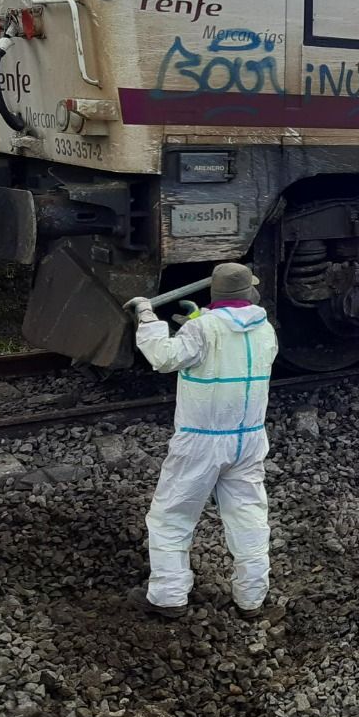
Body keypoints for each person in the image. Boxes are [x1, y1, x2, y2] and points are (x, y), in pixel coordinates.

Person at [124, 262, 280, 619]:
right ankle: (252, 601)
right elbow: (225, 342)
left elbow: (164, 357)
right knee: (249, 518)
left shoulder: (203, 329)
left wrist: (147, 316)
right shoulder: (265, 330)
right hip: (248, 440)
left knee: (171, 517)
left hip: (201, 442)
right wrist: (199, 321)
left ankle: (168, 598)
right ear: (248, 293)